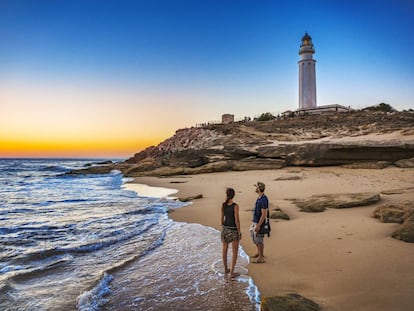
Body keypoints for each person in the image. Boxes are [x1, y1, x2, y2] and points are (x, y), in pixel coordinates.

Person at [221, 187, 241, 278]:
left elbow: (221, 219)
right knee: (235, 252)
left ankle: (225, 269)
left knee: (224, 249)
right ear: (234, 195)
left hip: (225, 229)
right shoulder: (235, 206)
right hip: (233, 230)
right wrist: (239, 231)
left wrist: (224, 227)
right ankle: (232, 272)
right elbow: (237, 220)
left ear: (227, 195)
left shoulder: (223, 205)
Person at [250, 182, 268, 263]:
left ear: (259, 189)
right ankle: (258, 253)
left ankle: (261, 257)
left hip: (259, 222)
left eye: (256, 187)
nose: (255, 188)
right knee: (254, 238)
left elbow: (264, 214)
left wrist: (259, 225)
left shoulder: (264, 199)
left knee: (259, 239)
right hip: (255, 221)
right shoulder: (259, 197)